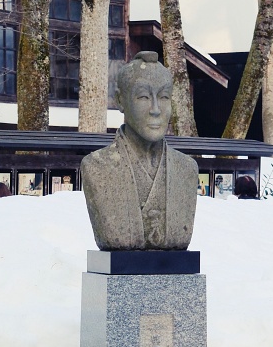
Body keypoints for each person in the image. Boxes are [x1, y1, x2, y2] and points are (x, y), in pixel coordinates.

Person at [79, 51, 198, 250]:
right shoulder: (97, 167)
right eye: (143, 96)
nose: (155, 109)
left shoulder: (186, 169)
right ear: (120, 101)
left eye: (164, 97)